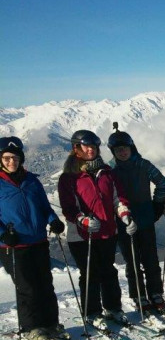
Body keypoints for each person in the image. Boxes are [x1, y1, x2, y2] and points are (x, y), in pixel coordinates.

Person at [58, 130, 136, 328]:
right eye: (86, 146)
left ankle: (113, 308)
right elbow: (69, 207)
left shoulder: (106, 173)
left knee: (108, 271)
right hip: (82, 236)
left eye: (93, 146)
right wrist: (82, 220)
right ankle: (92, 312)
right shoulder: (69, 177)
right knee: (90, 273)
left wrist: (125, 215)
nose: (90, 149)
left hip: (107, 231)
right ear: (76, 148)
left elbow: (118, 199)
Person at [0, 137, 66, 340]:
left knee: (45, 284)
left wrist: (54, 220)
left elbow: (44, 207)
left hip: (38, 240)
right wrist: (3, 234)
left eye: (16, 158)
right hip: (13, 244)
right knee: (27, 287)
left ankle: (50, 324)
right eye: (7, 158)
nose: (12, 162)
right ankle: (32, 327)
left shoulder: (31, 180)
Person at [108, 126, 165, 311]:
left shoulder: (143, 164)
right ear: (113, 152)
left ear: (131, 147)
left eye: (125, 148)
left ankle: (155, 293)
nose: (123, 152)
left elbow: (162, 183)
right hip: (123, 220)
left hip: (144, 217)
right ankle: (139, 295)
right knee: (132, 260)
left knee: (150, 258)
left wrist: (157, 204)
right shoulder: (110, 170)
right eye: (118, 150)